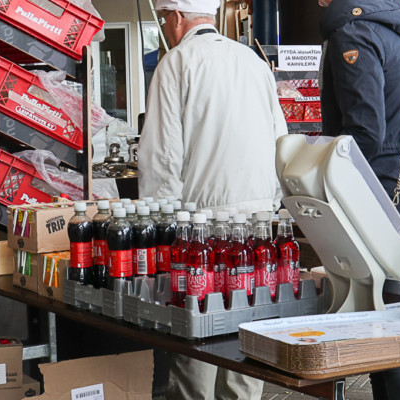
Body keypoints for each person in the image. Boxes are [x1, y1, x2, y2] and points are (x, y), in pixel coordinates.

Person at [137, 0, 287, 398]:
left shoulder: (176, 63)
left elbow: (162, 157)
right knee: (249, 337)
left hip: (201, 232)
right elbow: (281, 142)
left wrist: (160, 224)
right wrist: (270, 206)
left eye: (165, 19)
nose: (166, 27)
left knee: (198, 340)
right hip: (256, 228)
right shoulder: (254, 62)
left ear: (176, 18)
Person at [318, 0, 400, 398]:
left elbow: (364, 132)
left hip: (376, 188)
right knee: (398, 318)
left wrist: (320, 175)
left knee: (378, 322)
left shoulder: (354, 32)